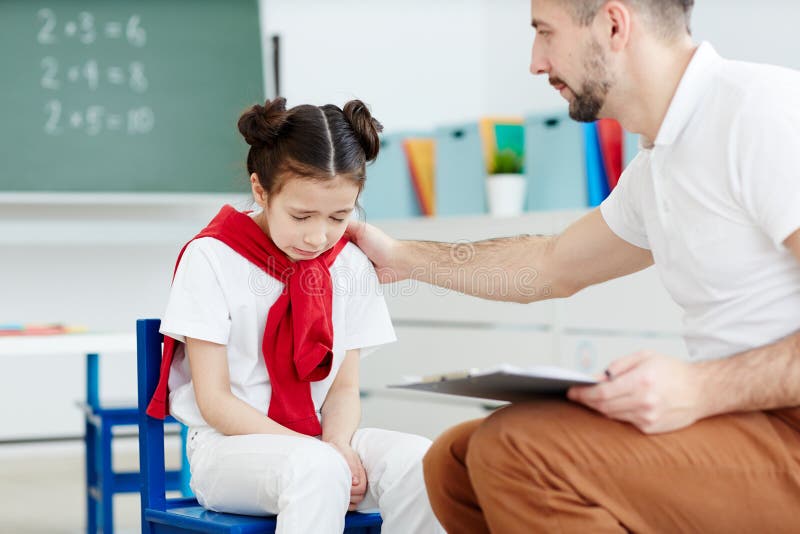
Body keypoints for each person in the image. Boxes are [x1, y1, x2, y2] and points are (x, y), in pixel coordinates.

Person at [347, 0, 800, 532]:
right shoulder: (660, 162)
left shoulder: (761, 112)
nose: (536, 63)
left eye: (545, 32)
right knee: (453, 464)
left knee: (516, 452)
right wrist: (405, 257)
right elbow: (550, 265)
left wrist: (702, 389)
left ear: (613, 24)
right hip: (742, 427)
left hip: (782, 431)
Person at [146, 97, 443, 534]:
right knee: (317, 470)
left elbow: (344, 388)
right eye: (301, 215)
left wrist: (338, 444)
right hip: (229, 449)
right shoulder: (211, 257)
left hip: (322, 437)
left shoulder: (350, 265)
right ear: (260, 190)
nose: (318, 235)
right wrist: (323, 454)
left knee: (423, 464)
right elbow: (215, 402)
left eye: (339, 216)